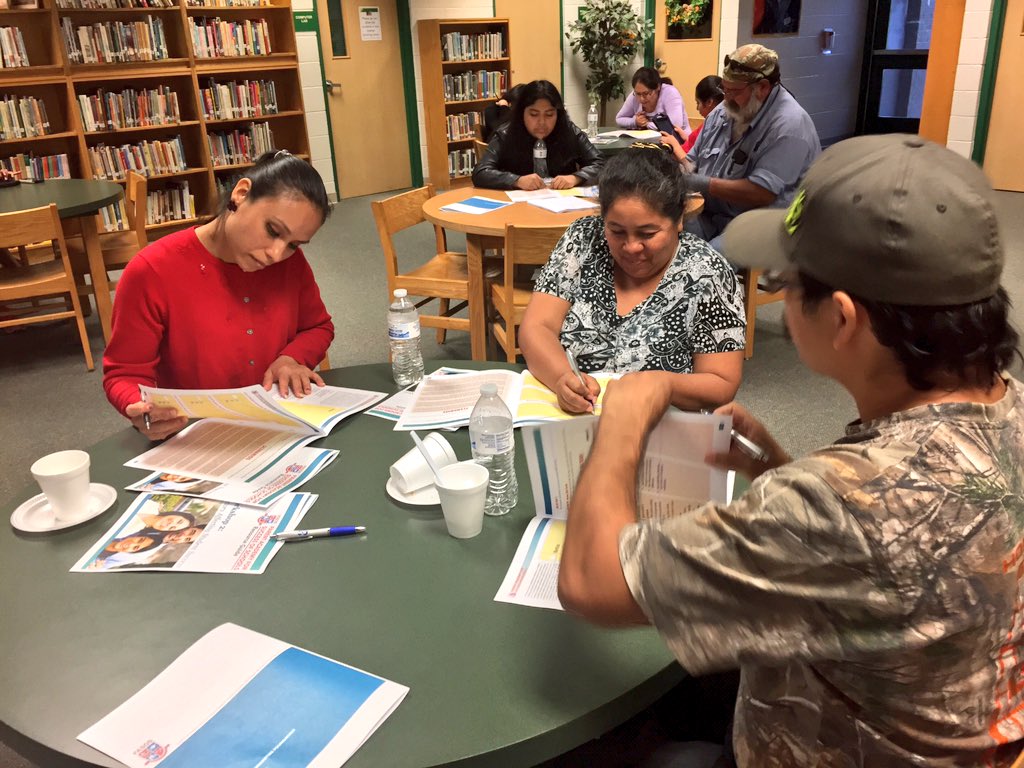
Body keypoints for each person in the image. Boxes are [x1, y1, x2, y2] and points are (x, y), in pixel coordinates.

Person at [557, 135, 1024, 766]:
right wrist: (780, 471)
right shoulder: (1007, 407)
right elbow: (882, 554)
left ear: (842, 318)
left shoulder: (844, 502)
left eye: (781, 281)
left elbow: (591, 584)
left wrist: (625, 414)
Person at [103, 151, 335, 441]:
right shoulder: (152, 271)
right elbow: (124, 373)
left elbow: (317, 326)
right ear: (240, 194)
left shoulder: (291, 263)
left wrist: (291, 358)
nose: (277, 254)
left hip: (279, 425)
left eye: (294, 244)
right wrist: (139, 408)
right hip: (195, 435)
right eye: (273, 231)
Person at [519, 147, 745, 415]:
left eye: (647, 233)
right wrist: (562, 378)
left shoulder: (708, 272)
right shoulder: (583, 240)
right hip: (573, 423)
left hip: (660, 430)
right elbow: (537, 327)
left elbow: (722, 381)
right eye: (616, 231)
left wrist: (661, 384)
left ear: (679, 220)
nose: (631, 247)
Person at [662, 44, 820, 252]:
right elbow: (692, 161)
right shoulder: (724, 110)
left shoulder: (789, 125)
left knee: (712, 262)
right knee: (665, 236)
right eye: (724, 89)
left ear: (763, 87)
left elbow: (762, 193)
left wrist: (700, 182)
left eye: (734, 91)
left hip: (763, 221)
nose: (726, 99)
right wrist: (672, 169)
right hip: (713, 210)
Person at [472, 80, 604, 191]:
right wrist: (516, 180)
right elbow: (481, 172)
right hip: (517, 208)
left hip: (561, 205)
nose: (542, 122)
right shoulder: (506, 133)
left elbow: (600, 163)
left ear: (558, 114)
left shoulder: (568, 130)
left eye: (549, 115)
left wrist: (576, 177)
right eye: (534, 114)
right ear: (521, 113)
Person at [616, 67, 690, 137]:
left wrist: (646, 124)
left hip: (679, 143)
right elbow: (619, 119)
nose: (641, 99)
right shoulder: (634, 96)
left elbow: (675, 125)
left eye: (646, 93)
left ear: (657, 87)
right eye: (638, 94)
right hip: (648, 142)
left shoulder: (670, 93)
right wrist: (635, 121)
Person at [681, 76, 724, 154]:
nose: (697, 108)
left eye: (698, 103)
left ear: (709, 102)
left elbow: (691, 162)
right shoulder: (708, 123)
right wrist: (686, 138)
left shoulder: (713, 128)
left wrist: (675, 147)